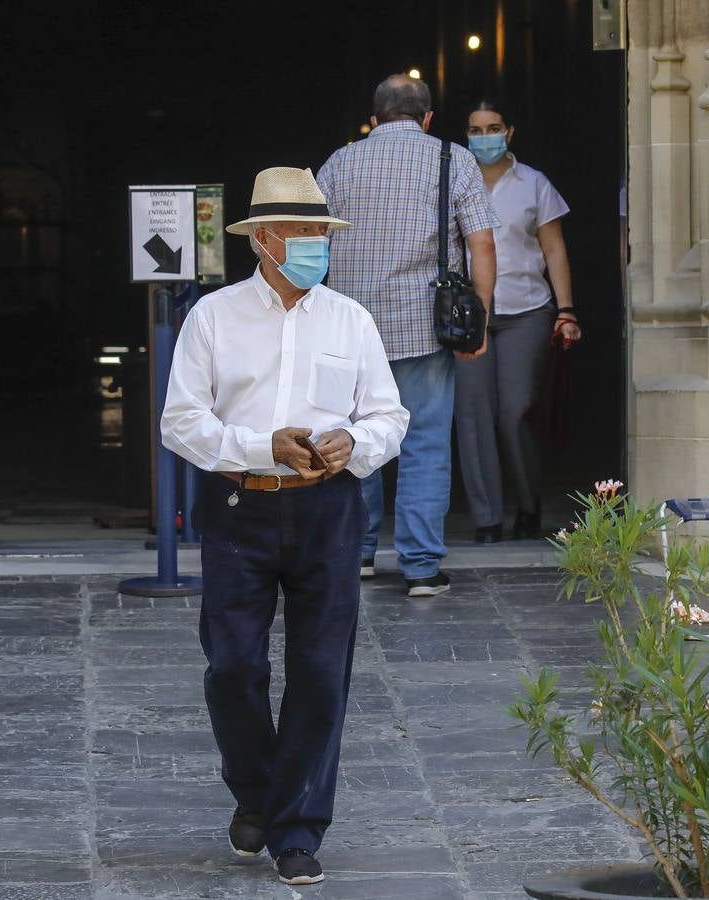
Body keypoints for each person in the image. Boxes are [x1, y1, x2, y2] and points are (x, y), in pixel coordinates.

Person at [160, 167, 409, 885]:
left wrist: (351, 447)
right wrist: (257, 446)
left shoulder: (350, 320)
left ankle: (296, 827)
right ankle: (258, 792)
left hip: (329, 510)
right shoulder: (214, 317)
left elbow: (388, 416)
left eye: (321, 234)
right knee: (233, 666)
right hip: (241, 507)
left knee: (322, 673)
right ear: (264, 240)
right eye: (301, 233)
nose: (314, 246)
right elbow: (182, 422)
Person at [318, 73, 499, 597]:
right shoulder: (454, 159)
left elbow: (310, 239)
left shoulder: (339, 162)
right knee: (423, 444)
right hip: (425, 328)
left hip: (348, 330)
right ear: (427, 118)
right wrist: (479, 318)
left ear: (374, 119)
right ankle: (420, 567)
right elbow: (481, 245)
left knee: (355, 442)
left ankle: (359, 555)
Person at [455, 99, 579, 543]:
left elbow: (554, 250)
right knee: (471, 415)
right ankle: (486, 519)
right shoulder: (453, 181)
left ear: (509, 131)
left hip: (526, 310)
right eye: (474, 129)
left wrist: (565, 310)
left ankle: (529, 506)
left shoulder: (534, 184)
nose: (482, 136)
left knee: (514, 412)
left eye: (491, 127)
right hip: (470, 315)